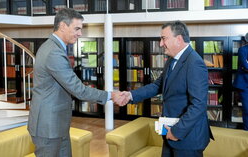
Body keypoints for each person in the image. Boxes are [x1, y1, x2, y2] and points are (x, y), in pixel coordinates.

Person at [27, 8, 124, 157]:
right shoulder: (53, 51)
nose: (80, 33)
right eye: (77, 28)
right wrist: (110, 95)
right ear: (63, 26)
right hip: (48, 126)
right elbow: (78, 89)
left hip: (57, 124)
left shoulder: (53, 47)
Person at [119, 21, 213, 157]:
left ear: (179, 39)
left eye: (164, 38)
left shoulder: (194, 63)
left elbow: (198, 105)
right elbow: (158, 85)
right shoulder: (172, 59)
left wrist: (177, 131)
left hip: (186, 137)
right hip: (170, 132)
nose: (160, 43)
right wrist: (130, 95)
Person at [233, 32, 248, 131]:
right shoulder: (242, 50)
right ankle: (246, 130)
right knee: (247, 109)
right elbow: (246, 66)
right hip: (245, 85)